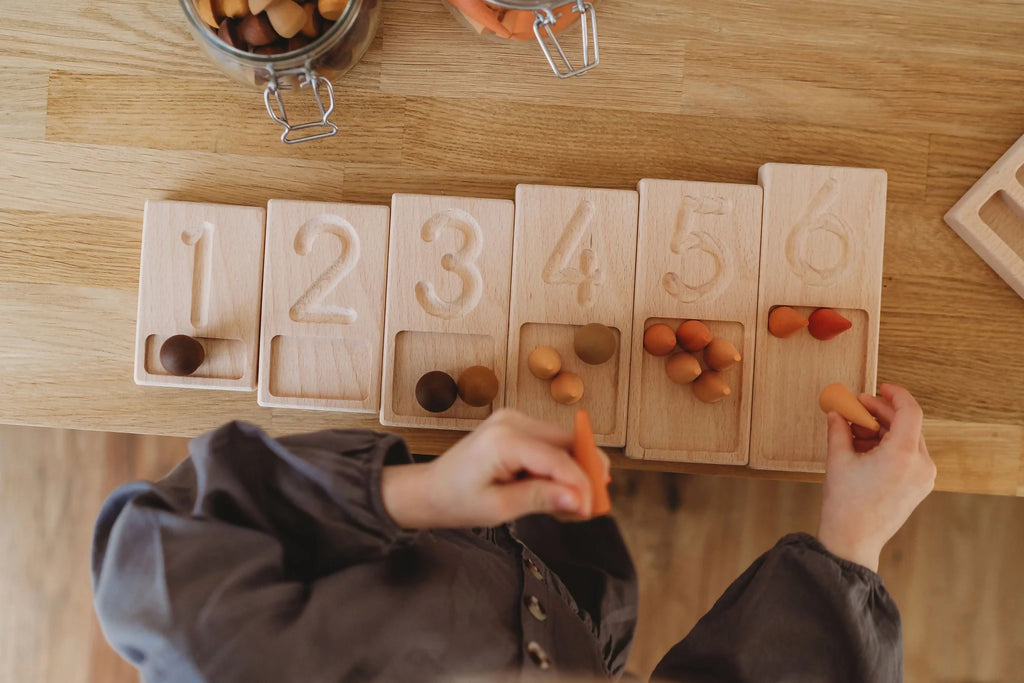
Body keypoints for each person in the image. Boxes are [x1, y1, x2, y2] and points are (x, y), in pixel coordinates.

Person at [91, 383, 935, 682]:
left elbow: (151, 558)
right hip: (565, 612)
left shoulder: (241, 659)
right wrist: (852, 536)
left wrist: (420, 492)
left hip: (374, 517)